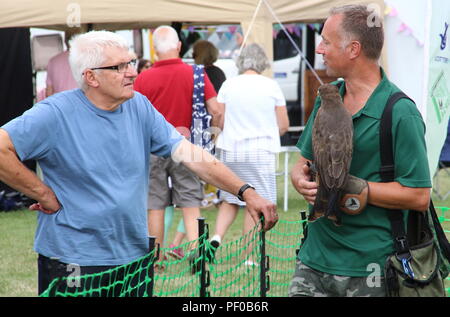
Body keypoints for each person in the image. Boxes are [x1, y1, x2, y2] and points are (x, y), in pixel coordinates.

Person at [0, 30, 278, 295]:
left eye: (131, 62)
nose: (132, 72)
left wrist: (246, 191)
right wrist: (42, 193)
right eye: (119, 67)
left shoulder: (139, 106)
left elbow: (192, 155)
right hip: (73, 258)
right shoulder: (55, 113)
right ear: (91, 77)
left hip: (133, 258)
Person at [289, 5, 431, 297]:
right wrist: (299, 179)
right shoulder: (328, 98)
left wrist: (362, 189)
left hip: (371, 268)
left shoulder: (400, 112)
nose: (319, 49)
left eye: (326, 42)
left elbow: (419, 196)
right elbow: (301, 161)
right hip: (313, 260)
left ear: (353, 49)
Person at [133, 26, 224, 264]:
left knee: (155, 205)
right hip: (187, 146)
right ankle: (196, 255)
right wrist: (213, 134)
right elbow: (216, 109)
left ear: (154, 49)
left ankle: (157, 258)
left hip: (152, 148)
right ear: (179, 46)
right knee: (190, 202)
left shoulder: (143, 78)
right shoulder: (196, 73)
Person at [208, 43, 289, 262]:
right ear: (263, 62)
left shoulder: (228, 85)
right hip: (260, 151)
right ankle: (248, 258)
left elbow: (220, 118)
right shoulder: (271, 86)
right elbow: (284, 124)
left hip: (231, 148)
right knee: (256, 201)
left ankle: (216, 236)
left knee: (230, 197)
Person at [45, 28, 81, 97]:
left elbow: (49, 92)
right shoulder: (85, 59)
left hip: (59, 104)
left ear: (64, 40)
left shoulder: (53, 61)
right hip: (80, 104)